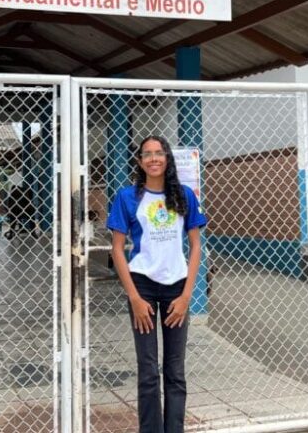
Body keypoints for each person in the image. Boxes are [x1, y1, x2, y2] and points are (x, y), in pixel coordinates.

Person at [107, 135, 207, 433]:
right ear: (139, 161)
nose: (153, 158)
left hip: (177, 287)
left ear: (167, 159)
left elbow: (196, 246)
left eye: (159, 153)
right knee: (148, 369)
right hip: (143, 288)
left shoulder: (184, 195)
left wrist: (187, 295)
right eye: (147, 154)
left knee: (175, 369)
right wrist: (135, 298)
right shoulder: (127, 197)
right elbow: (116, 249)